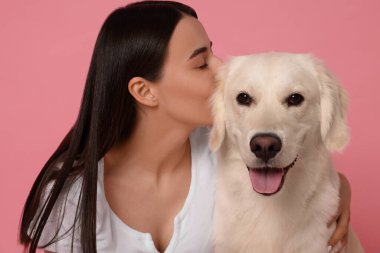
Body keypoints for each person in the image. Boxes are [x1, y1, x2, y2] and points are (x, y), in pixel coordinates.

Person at [19, 1, 352, 253]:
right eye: (202, 62)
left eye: (214, 51)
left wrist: (341, 190)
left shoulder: (226, 155)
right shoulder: (73, 196)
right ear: (144, 91)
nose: (223, 68)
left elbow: (303, 174)